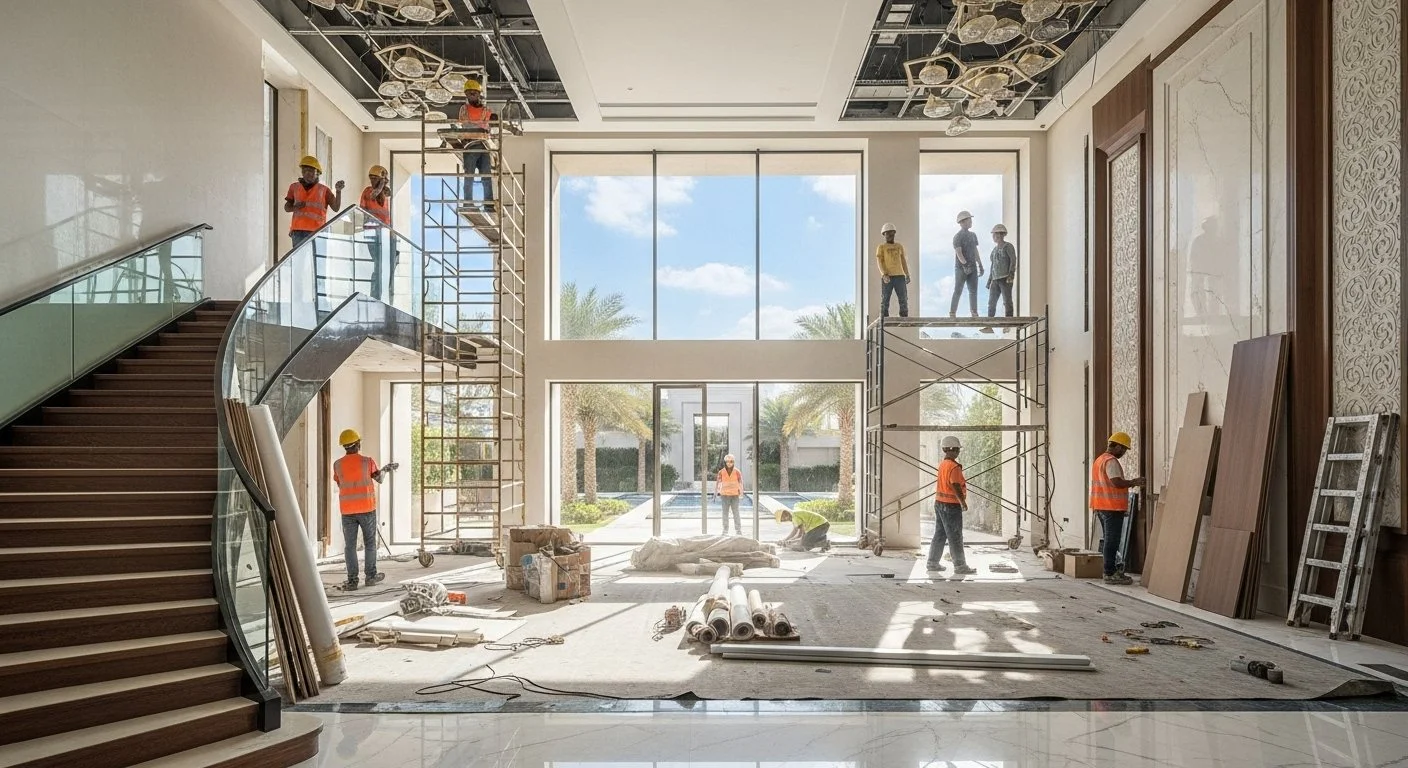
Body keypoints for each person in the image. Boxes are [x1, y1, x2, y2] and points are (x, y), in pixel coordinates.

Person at [333, 428, 398, 591]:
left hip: (347, 511)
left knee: (350, 546)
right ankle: (370, 577)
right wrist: (386, 469)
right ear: (357, 444)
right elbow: (379, 478)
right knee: (369, 543)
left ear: (344, 446)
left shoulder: (337, 464)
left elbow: (340, 483)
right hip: (366, 508)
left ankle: (352, 581)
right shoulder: (367, 462)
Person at [1091, 432, 1144, 585]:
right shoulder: (1111, 461)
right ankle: (1110, 573)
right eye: (1124, 449)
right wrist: (1134, 482)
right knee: (1112, 541)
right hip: (1111, 508)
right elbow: (1116, 482)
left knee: (1109, 540)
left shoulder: (1100, 460)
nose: (1124, 453)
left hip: (1101, 506)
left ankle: (1110, 569)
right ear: (1118, 447)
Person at [928, 435, 977, 575]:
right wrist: (963, 502)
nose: (958, 452)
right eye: (957, 449)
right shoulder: (954, 467)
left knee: (940, 534)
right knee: (955, 536)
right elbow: (955, 485)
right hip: (951, 505)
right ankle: (960, 566)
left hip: (939, 503)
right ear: (950, 449)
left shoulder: (943, 464)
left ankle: (932, 563)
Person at [284, 155, 343, 250]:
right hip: (298, 231)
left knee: (318, 259)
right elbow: (286, 207)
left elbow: (336, 208)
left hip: (318, 232)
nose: (307, 173)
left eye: (311, 171)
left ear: (318, 173)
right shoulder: (294, 187)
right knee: (300, 258)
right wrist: (294, 207)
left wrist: (338, 192)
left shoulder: (324, 190)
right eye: (305, 171)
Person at [457, 77, 497, 211]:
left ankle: (488, 204)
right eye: (469, 93)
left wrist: (493, 120)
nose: (472, 95)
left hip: (484, 146)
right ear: (466, 95)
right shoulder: (464, 109)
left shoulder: (486, 110)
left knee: (486, 175)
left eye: (474, 92)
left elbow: (490, 125)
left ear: (479, 94)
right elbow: (466, 124)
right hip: (470, 145)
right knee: (469, 175)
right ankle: (468, 202)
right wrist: (482, 127)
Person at [359, 165, 396, 300]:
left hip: (386, 235)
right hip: (373, 234)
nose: (373, 181)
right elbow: (373, 195)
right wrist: (381, 183)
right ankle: (375, 296)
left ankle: (388, 297)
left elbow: (387, 214)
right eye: (372, 178)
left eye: (376, 178)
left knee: (390, 266)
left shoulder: (385, 194)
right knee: (379, 265)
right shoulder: (368, 191)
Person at [950, 210, 984, 319]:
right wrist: (965, 265)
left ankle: (974, 313)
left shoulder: (973, 235)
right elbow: (959, 253)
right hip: (961, 268)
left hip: (972, 267)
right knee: (958, 290)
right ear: (963, 222)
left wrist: (980, 264)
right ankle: (952, 313)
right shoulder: (957, 237)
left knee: (973, 291)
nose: (971, 222)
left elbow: (975, 251)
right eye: (969, 220)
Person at [983, 222, 1016, 330]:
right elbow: (993, 266)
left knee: (1007, 301)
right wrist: (989, 281)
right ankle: (989, 326)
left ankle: (1008, 324)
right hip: (995, 280)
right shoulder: (994, 250)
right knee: (991, 303)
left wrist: (1011, 275)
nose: (993, 236)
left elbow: (1013, 260)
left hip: (1005, 278)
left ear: (1000, 234)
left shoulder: (1008, 246)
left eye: (995, 234)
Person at [875, 222, 911, 318]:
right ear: (884, 234)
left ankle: (904, 317)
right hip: (888, 277)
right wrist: (883, 274)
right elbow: (879, 262)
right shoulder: (881, 247)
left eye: (891, 233)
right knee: (885, 299)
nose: (890, 235)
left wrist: (907, 274)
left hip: (900, 276)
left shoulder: (899, 246)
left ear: (894, 233)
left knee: (903, 298)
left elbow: (903, 261)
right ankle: (884, 318)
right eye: (887, 233)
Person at [715, 454, 744, 535]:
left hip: (735, 495)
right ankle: (725, 530)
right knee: (725, 513)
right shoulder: (721, 472)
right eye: (727, 461)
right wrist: (716, 493)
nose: (729, 463)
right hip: (724, 495)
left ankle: (738, 531)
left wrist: (741, 493)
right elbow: (718, 483)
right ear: (725, 462)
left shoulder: (737, 472)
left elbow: (741, 483)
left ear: (733, 462)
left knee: (736, 513)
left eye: (731, 461)